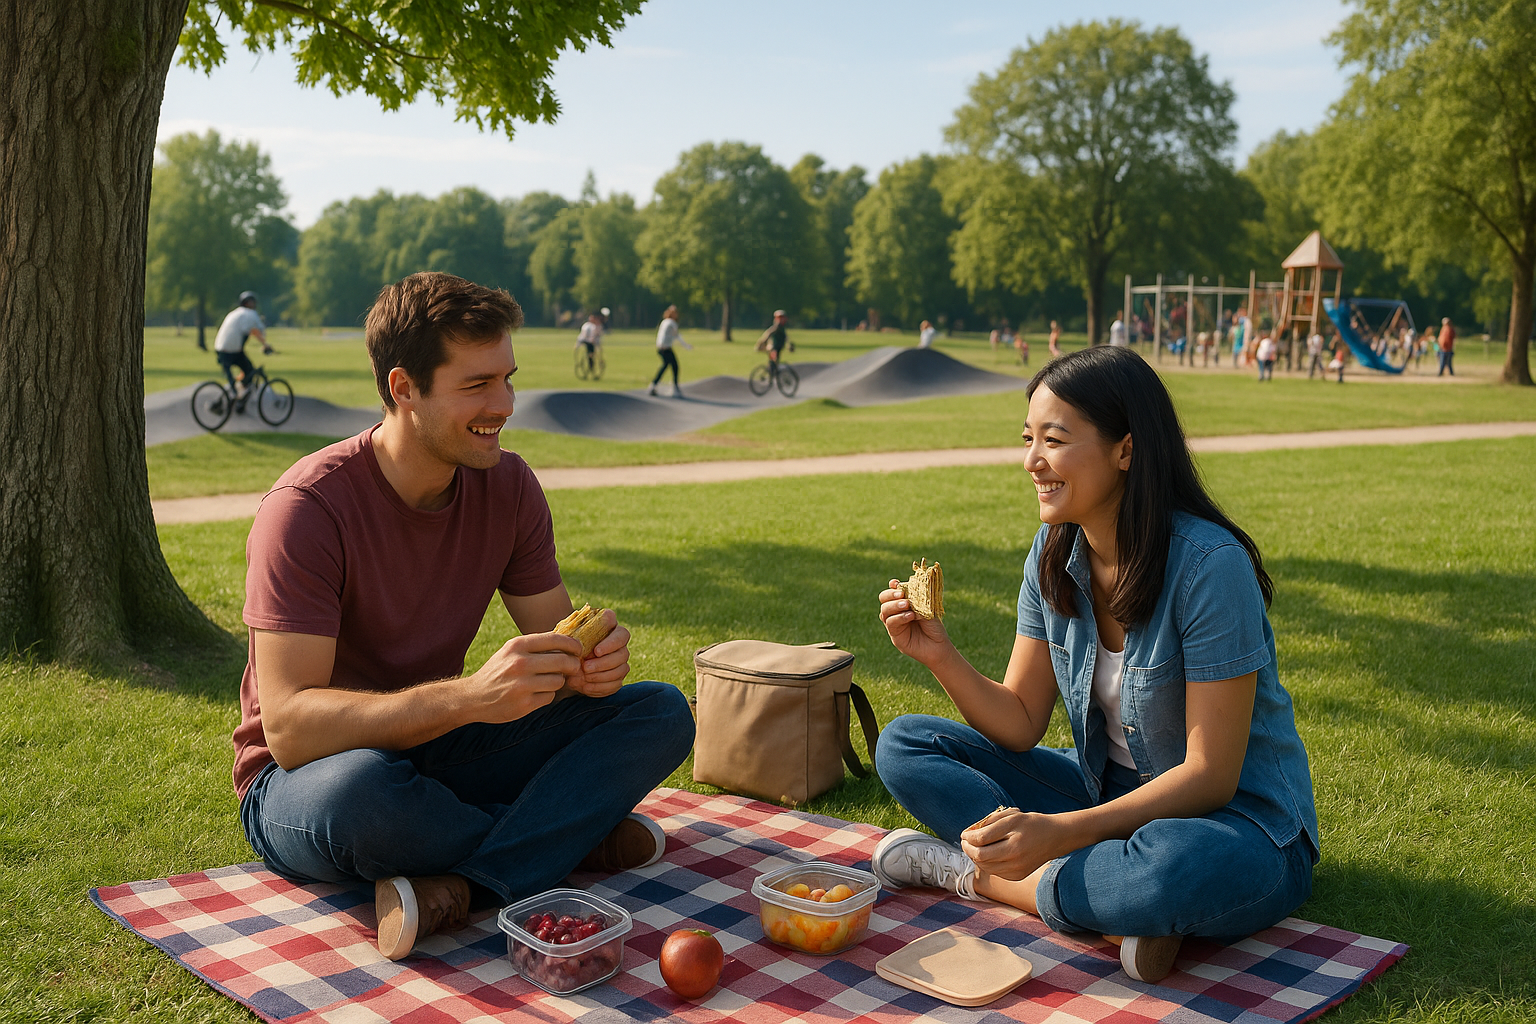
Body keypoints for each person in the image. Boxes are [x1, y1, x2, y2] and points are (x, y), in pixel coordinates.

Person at [234, 272, 696, 961]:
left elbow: (558, 644)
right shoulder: (307, 509)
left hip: (442, 750)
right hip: (308, 783)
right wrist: (472, 697)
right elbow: (293, 730)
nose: (504, 405)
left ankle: (468, 885)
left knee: (658, 713)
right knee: (366, 796)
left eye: (507, 379)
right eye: (477, 386)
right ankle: (569, 833)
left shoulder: (507, 486)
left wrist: (588, 669)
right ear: (403, 389)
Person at [868, 346, 1318, 985]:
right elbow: (1021, 722)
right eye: (1028, 439)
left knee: (1170, 871)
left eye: (1054, 439)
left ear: (1125, 450)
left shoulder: (1209, 567)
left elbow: (1211, 777)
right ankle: (1107, 903)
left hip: (1238, 826)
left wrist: (1058, 833)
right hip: (1107, 798)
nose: (1031, 462)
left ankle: (983, 877)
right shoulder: (1053, 552)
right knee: (907, 744)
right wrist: (939, 655)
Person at [213, 291, 272, 400]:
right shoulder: (251, 314)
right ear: (247, 303)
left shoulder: (234, 313)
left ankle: (237, 393)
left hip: (220, 348)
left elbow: (251, 331)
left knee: (242, 372)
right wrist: (266, 345)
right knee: (249, 371)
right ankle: (240, 396)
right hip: (233, 350)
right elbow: (258, 331)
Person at [651, 304, 693, 397]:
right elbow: (677, 336)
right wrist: (687, 346)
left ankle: (654, 385)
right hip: (666, 348)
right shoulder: (672, 323)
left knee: (667, 365)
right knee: (674, 366)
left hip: (661, 347)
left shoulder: (664, 321)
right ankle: (674, 388)